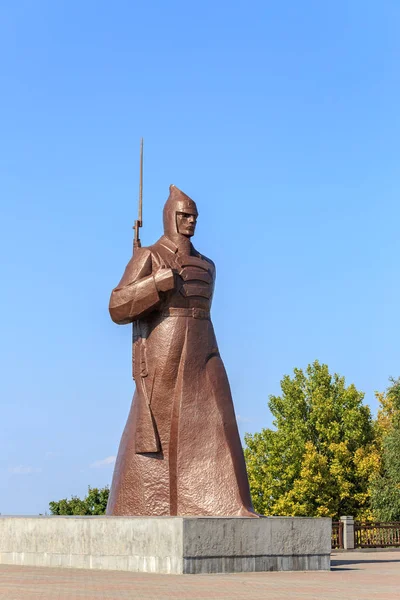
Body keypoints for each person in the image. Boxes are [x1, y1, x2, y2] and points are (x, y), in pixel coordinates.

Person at [107, 184, 256, 516]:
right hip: (165, 349)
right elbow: (117, 306)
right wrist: (153, 285)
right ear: (170, 217)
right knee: (156, 428)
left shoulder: (207, 264)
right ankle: (139, 507)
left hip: (204, 345)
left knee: (219, 417)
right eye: (184, 215)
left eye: (194, 216)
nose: (191, 222)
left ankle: (230, 504)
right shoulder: (149, 256)